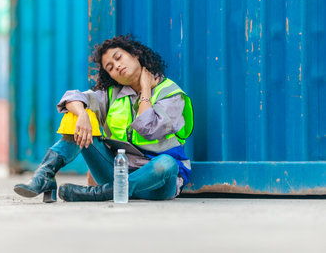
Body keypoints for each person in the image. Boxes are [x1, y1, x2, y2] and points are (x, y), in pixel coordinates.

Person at [14, 35, 193, 202]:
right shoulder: (112, 95)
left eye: (118, 57)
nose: (116, 66)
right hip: (117, 172)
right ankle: (45, 175)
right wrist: (83, 114)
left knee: (167, 164)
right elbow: (71, 97)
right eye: (110, 67)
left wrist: (145, 90)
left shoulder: (170, 93)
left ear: (135, 55)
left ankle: (100, 194)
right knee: (76, 116)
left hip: (157, 183)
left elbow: (149, 128)